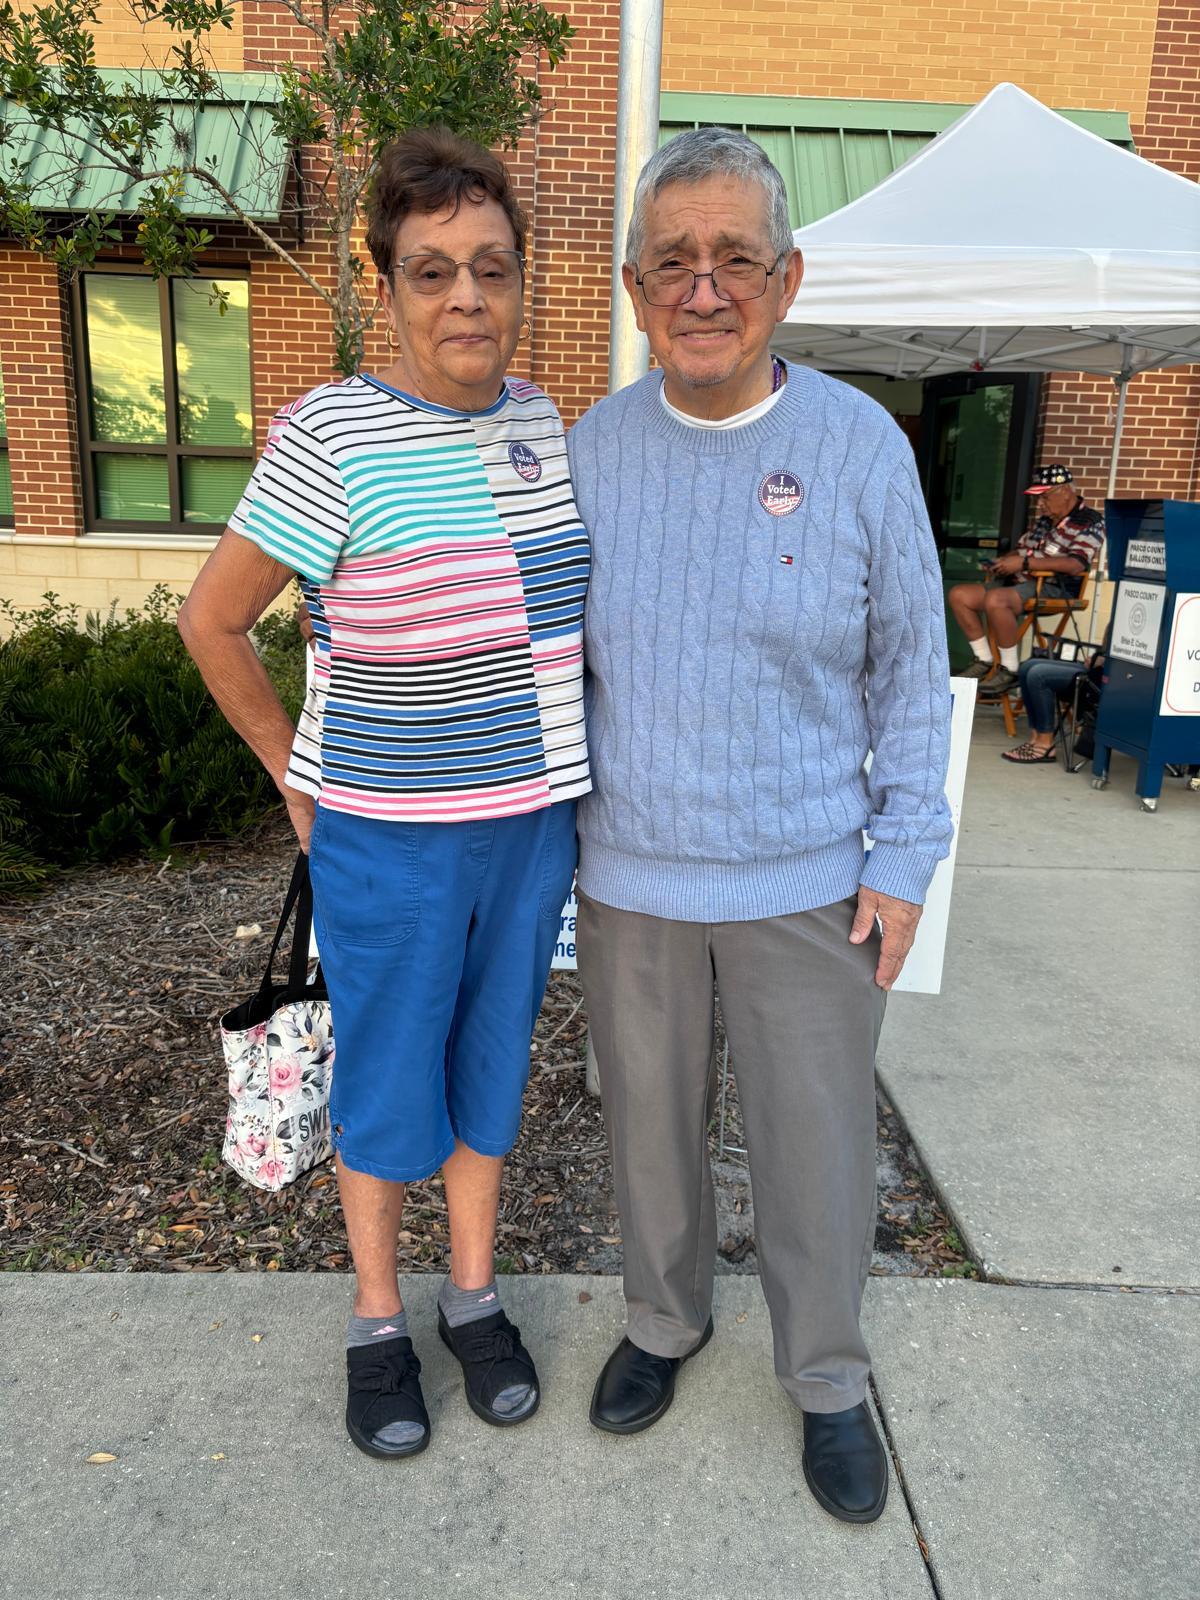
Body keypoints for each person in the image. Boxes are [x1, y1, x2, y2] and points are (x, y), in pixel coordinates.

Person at [179, 128, 590, 1460]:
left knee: (488, 1070)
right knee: (390, 1085)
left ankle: (472, 1301)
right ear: (386, 285)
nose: (466, 297)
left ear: (522, 280)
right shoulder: (333, 435)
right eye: (432, 272)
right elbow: (215, 622)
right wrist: (293, 777)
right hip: (391, 839)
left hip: (529, 832)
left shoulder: (541, 422)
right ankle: (375, 1320)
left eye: (490, 267)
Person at [567, 128, 953, 1525]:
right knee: (650, 1137)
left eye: (736, 257)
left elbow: (912, 667)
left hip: (807, 881)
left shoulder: (858, 448)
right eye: (675, 261)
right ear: (635, 289)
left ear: (788, 281)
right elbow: (549, 666)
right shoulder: (589, 456)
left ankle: (830, 1377)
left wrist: (906, 859)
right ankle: (665, 1323)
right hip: (633, 879)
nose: (706, 287)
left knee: (817, 1150)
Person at [948, 464, 1105, 697]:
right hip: (1017, 583)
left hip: (1054, 588)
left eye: (1044, 497)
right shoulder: (1045, 521)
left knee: (996, 600)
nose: (1040, 504)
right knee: (959, 595)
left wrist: (1024, 564)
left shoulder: (1089, 520)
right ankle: (984, 658)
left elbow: (1076, 564)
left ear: (1064, 491)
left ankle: (1010, 669)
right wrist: (1003, 562)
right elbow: (1023, 549)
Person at [1003, 642, 1106, 764]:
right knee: (1026, 667)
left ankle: (1045, 743)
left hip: (1103, 679)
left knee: (1038, 675)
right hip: (1095, 668)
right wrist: (1098, 656)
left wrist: (1104, 661)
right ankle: (1035, 738)